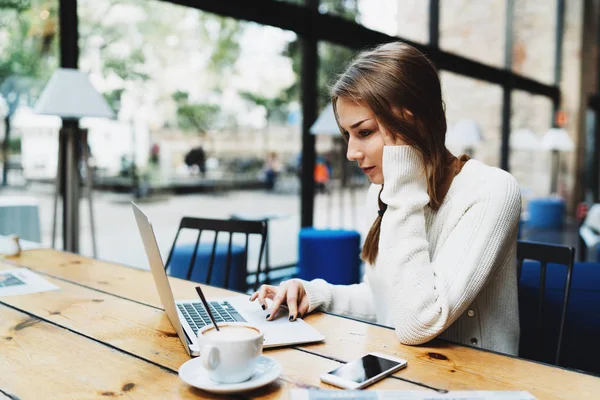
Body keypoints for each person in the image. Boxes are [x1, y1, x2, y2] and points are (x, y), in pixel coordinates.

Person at [250, 41, 522, 355]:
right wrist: (315, 293)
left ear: (412, 123)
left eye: (364, 132)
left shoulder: (491, 191)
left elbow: (418, 323)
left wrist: (402, 184)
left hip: (479, 382)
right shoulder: (381, 195)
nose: (352, 153)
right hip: (406, 370)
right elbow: (389, 301)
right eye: (347, 135)